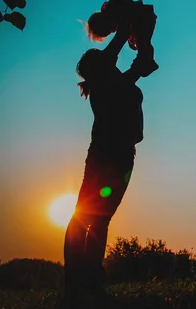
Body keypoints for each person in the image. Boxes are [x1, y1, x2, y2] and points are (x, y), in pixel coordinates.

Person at [62, 22, 146, 307]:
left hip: (122, 155)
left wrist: (143, 48)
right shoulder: (103, 82)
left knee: (97, 218)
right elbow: (118, 49)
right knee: (86, 216)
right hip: (107, 155)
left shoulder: (117, 81)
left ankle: (86, 282)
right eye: (106, 59)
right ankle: (79, 281)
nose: (111, 59)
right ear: (98, 68)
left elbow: (138, 68)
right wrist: (126, 26)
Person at [85, 0, 159, 77]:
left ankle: (145, 59)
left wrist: (130, 38)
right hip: (142, 18)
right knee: (145, 42)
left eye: (110, 30)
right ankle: (147, 60)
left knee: (143, 42)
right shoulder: (116, 16)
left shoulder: (114, 11)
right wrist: (130, 40)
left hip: (143, 16)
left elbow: (126, 27)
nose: (113, 31)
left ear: (104, 22)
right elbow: (127, 28)